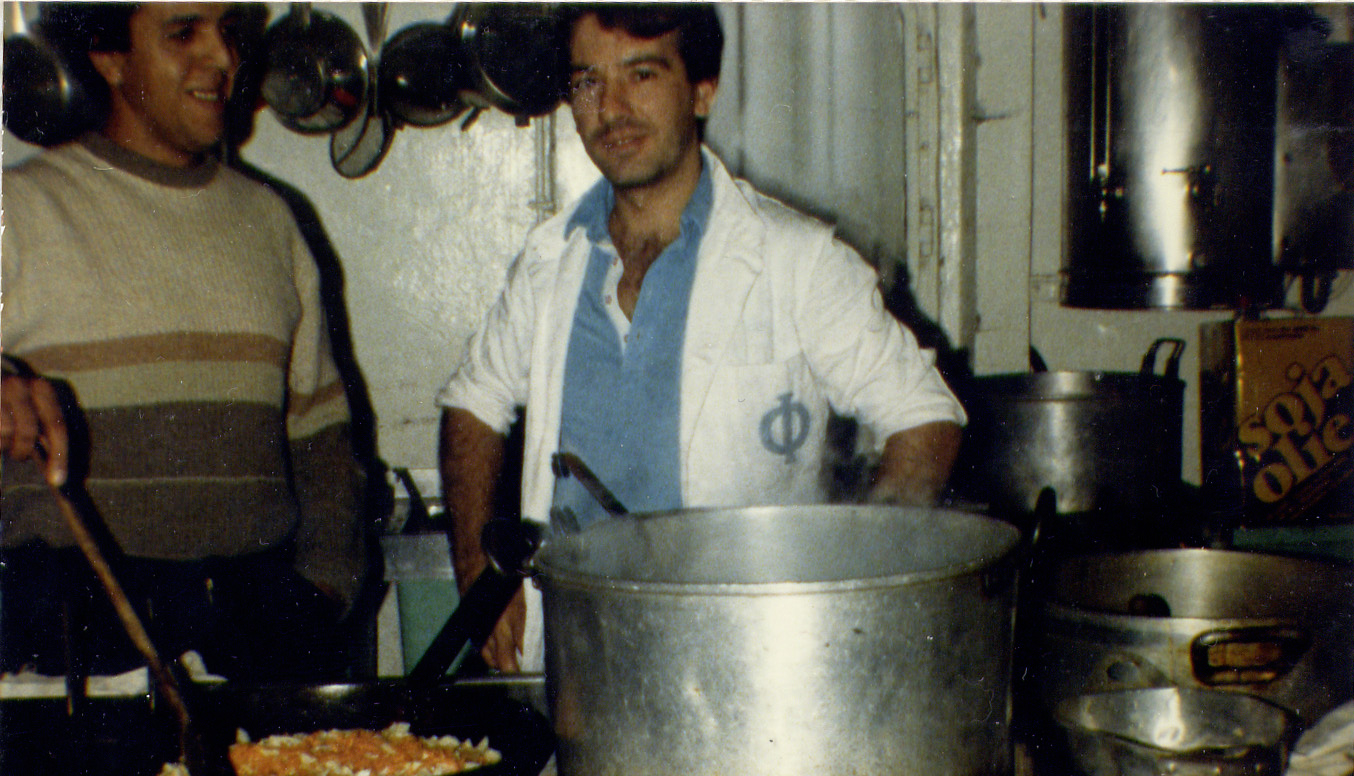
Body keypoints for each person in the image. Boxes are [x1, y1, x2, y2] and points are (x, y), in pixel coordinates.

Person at [437, 4, 966, 673]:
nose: (611, 109)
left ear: (703, 91)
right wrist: (475, 569)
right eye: (588, 82)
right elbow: (474, 400)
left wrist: (851, 583)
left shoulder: (797, 260)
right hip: (576, 662)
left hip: (749, 660)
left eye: (642, 75)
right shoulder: (549, 260)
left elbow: (925, 417)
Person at [1, 3, 369, 682]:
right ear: (111, 58)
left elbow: (323, 442)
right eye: (182, 33)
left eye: (228, 31)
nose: (223, 58)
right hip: (72, 654)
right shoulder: (17, 209)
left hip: (253, 643)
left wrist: (323, 591)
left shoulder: (270, 221)